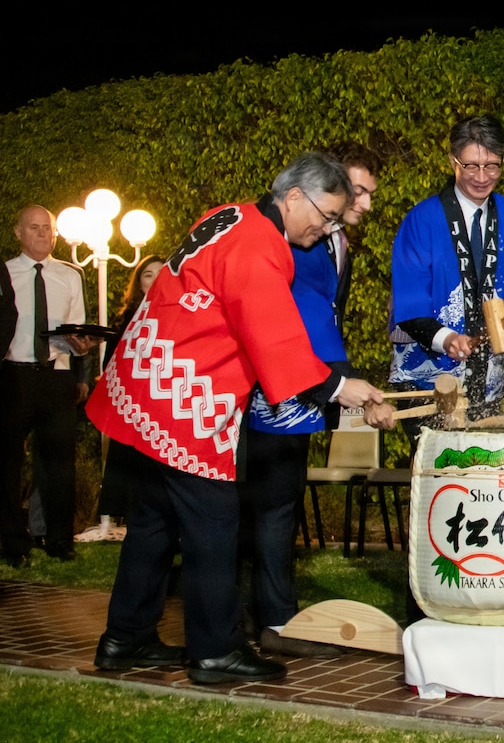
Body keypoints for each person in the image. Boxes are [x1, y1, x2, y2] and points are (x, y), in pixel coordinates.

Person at [87, 153, 386, 685]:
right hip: (184, 392)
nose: (326, 227)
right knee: (215, 521)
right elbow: (272, 336)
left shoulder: (229, 215)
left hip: (148, 375)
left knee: (155, 517)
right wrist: (341, 387)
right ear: (293, 197)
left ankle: (124, 637)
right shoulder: (258, 246)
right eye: (326, 214)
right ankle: (215, 650)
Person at [242, 144, 379, 658]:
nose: (363, 204)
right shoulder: (300, 241)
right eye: (357, 192)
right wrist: (343, 384)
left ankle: (260, 613)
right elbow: (307, 315)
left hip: (306, 385)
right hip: (281, 389)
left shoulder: (329, 238)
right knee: (273, 506)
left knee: (278, 505)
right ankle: (274, 621)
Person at [388, 115, 504, 423]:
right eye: (471, 165)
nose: (482, 177)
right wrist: (446, 338)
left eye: (492, 166)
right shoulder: (422, 220)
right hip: (427, 388)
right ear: (452, 160)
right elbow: (409, 300)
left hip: (490, 388)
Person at [1, 206, 99, 566]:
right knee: (8, 463)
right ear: (19, 232)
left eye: (48, 229)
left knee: (60, 464)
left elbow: (77, 328)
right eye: (35, 228)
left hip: (56, 374)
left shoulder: (69, 276)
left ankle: (59, 540)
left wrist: (81, 363)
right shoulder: (5, 274)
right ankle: (14, 543)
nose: (43, 234)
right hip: (13, 376)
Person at [76, 253, 167, 543]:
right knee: (131, 469)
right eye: (148, 274)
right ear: (139, 282)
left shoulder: (183, 312)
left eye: (160, 273)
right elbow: (111, 365)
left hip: (167, 405)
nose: (154, 280)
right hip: (135, 405)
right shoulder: (127, 318)